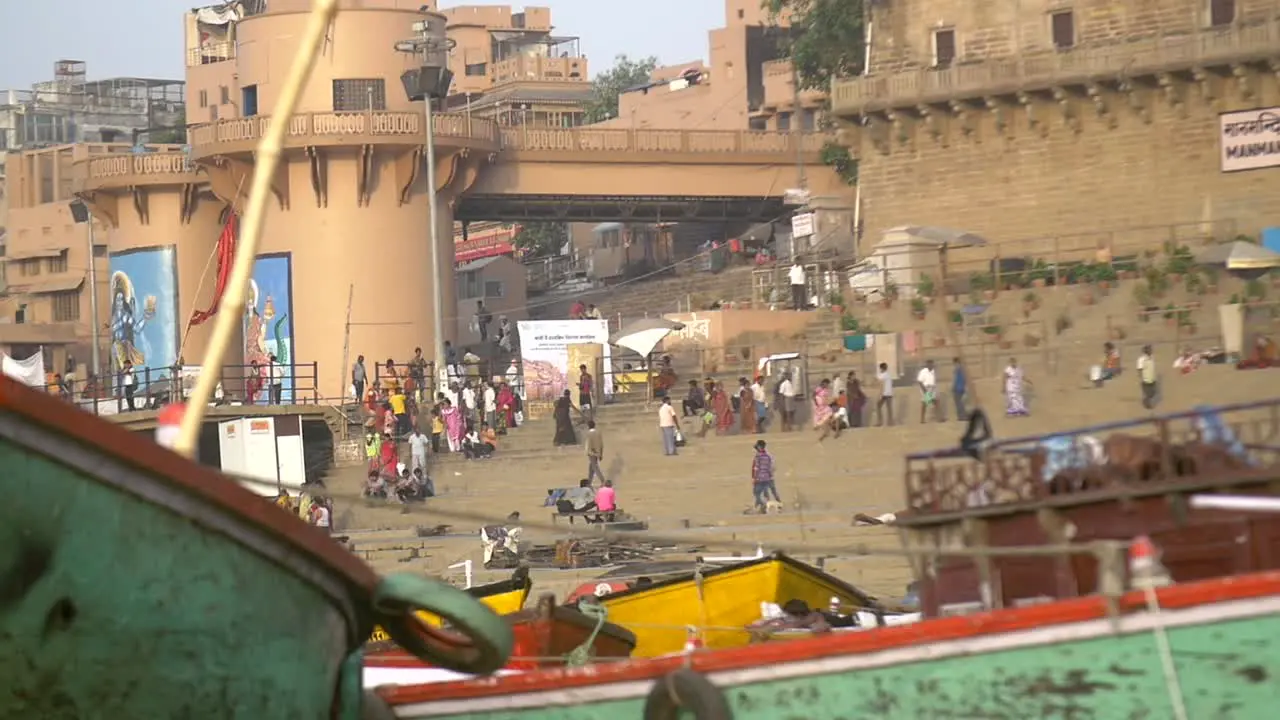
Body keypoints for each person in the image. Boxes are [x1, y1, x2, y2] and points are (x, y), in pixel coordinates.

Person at [751, 439, 781, 513]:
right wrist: (770, 474)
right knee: (771, 491)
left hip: (760, 478)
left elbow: (756, 468)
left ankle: (762, 505)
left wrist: (754, 478)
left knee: (757, 492)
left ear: (759, 447)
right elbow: (772, 467)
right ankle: (779, 503)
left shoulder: (758, 456)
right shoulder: (768, 456)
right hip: (768, 477)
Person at [585, 419, 606, 484]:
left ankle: (602, 480)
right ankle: (589, 481)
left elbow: (588, 444)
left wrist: (587, 451)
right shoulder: (598, 433)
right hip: (597, 452)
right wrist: (600, 454)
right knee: (591, 467)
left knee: (595, 467)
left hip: (591, 452)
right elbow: (601, 444)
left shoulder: (589, 433)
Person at [1137, 345, 1158, 409]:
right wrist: (1141, 378)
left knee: (1153, 393)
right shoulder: (1141, 359)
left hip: (1152, 378)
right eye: (1150, 350)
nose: (1151, 351)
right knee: (1148, 394)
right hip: (1146, 379)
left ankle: (1146, 400)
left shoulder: (1152, 357)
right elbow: (1139, 369)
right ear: (1146, 351)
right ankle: (1147, 404)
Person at [874, 362, 895, 427]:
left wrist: (880, 394)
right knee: (889, 408)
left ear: (881, 368)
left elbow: (881, 385)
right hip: (889, 393)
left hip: (884, 393)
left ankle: (879, 422)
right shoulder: (889, 375)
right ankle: (890, 422)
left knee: (878, 406)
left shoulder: (882, 375)